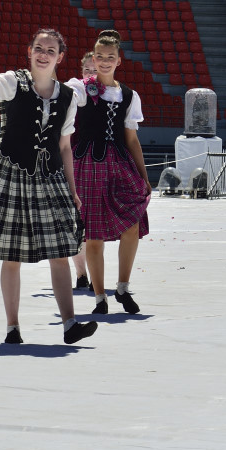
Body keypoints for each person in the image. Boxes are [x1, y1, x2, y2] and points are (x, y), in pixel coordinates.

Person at [0, 13, 97, 346]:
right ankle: (12, 328)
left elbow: (64, 146)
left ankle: (69, 325)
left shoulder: (68, 98)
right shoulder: (11, 82)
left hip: (50, 178)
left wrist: (72, 191)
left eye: (50, 49)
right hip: (12, 174)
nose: (43, 53)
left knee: (61, 251)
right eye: (38, 47)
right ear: (29, 51)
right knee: (12, 255)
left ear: (60, 57)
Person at [66, 30, 151, 316]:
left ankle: (123, 287)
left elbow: (132, 139)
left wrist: (144, 175)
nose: (104, 61)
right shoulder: (80, 87)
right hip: (87, 164)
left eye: (109, 57)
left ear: (118, 60)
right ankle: (100, 296)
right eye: (99, 56)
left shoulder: (129, 95)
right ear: (93, 57)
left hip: (119, 164)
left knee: (133, 225)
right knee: (94, 234)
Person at [69, 51, 95, 291]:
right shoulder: (75, 92)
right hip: (74, 163)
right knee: (76, 224)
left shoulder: (114, 95)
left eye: (94, 70)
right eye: (86, 69)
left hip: (99, 165)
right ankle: (81, 275)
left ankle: (95, 273)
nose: (90, 74)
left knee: (94, 227)